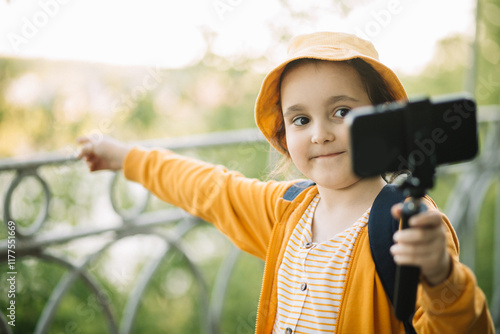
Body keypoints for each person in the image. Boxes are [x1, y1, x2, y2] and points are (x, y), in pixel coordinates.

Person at [78, 32, 494, 333]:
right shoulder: (287, 211)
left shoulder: (410, 226)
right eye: (301, 119)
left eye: (342, 112)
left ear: (383, 119)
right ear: (283, 135)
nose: (319, 134)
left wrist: (441, 277)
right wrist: (123, 157)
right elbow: (205, 187)